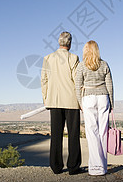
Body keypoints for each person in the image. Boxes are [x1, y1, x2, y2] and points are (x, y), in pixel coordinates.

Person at [41, 31, 82, 175]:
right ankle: (73, 166)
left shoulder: (48, 58)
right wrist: (81, 101)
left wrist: (46, 99)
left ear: (59, 42)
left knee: (56, 135)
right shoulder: (74, 58)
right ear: (69, 43)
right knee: (73, 134)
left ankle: (56, 166)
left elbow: (44, 81)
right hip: (71, 101)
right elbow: (77, 81)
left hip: (54, 101)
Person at [75, 40, 114, 176]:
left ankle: (95, 167)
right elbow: (110, 85)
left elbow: (77, 86)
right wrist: (112, 104)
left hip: (88, 98)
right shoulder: (104, 64)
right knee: (103, 131)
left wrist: (80, 103)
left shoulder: (81, 66)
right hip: (103, 97)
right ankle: (103, 167)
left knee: (92, 132)